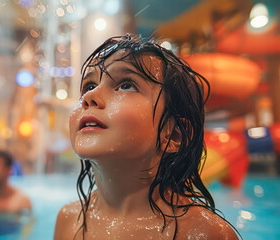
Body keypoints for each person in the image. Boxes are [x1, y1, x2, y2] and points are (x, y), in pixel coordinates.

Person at [54, 34, 239, 240]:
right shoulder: (69, 221)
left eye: (125, 85)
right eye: (89, 86)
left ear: (174, 135)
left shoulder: (204, 234)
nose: (89, 97)